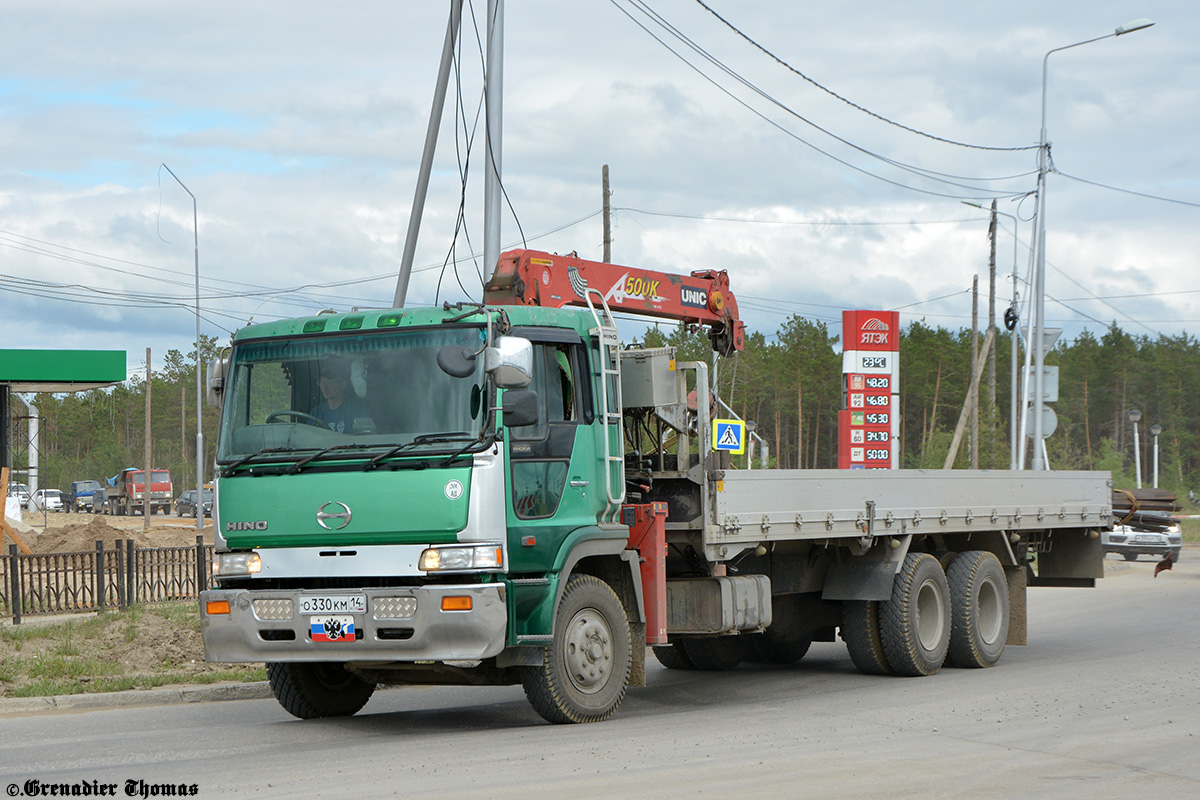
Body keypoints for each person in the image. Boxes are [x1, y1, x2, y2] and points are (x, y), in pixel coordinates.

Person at [312, 359, 370, 433]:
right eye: (321, 382)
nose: (324, 387)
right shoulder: (316, 413)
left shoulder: (357, 410)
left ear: (343, 384)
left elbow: (365, 437)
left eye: (329, 381)